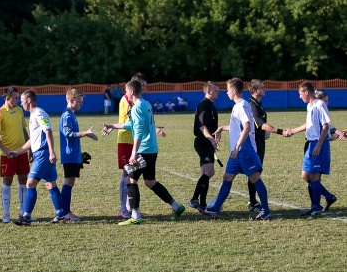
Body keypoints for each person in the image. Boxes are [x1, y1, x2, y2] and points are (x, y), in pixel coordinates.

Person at [102, 80, 186, 225]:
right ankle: (176, 206)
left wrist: (134, 152)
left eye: (126, 91)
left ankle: (135, 216)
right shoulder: (146, 104)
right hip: (152, 149)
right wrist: (113, 126)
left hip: (143, 150)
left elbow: (139, 131)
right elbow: (133, 124)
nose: (125, 94)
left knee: (130, 179)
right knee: (150, 181)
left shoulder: (136, 107)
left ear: (132, 92)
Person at [197, 78, 272, 221]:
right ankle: (215, 209)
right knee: (227, 178)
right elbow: (238, 128)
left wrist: (237, 147)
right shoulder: (238, 105)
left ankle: (266, 211)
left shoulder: (242, 105)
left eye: (227, 90)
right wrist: (222, 128)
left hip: (244, 150)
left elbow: (247, 127)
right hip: (237, 151)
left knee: (255, 178)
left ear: (233, 90)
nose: (226, 93)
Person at [102, 72, 165, 219]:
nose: (144, 89)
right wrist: (154, 129)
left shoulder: (139, 102)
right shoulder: (128, 100)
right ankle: (123, 208)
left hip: (137, 141)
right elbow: (134, 123)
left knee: (132, 175)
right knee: (127, 174)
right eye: (142, 86)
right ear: (134, 86)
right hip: (126, 140)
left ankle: (131, 208)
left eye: (145, 86)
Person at [9, 90, 64, 225]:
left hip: (43, 154)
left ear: (29, 100)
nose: (21, 103)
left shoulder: (39, 113)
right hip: (41, 153)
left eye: (22, 100)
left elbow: (48, 131)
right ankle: (61, 214)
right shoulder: (33, 115)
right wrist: (18, 151)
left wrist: (51, 152)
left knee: (30, 183)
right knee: (50, 184)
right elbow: (33, 140)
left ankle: (26, 217)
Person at [287, 82, 336, 216]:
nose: (300, 97)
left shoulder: (320, 105)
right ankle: (328, 197)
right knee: (306, 176)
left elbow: (325, 126)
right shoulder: (310, 106)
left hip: (318, 143)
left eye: (300, 94)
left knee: (313, 176)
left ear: (306, 92)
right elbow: (309, 124)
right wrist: (293, 130)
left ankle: (316, 207)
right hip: (310, 143)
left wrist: (319, 145)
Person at [246, 79, 291, 213]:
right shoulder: (252, 105)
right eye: (262, 87)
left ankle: (253, 201)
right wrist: (281, 131)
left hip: (260, 141)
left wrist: (263, 133)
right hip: (254, 144)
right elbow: (261, 125)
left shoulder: (259, 104)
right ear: (254, 91)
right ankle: (253, 202)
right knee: (254, 172)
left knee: (257, 171)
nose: (264, 89)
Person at [0, 87, 31, 223]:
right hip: (7, 154)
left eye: (18, 98)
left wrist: (29, 149)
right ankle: (6, 214)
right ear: (7, 98)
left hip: (22, 152)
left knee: (23, 180)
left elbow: (24, 130)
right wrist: (6, 150)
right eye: (15, 98)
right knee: (7, 180)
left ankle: (22, 213)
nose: (18, 100)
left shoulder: (19, 110)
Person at [59, 89, 99, 221]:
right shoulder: (67, 115)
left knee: (70, 183)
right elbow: (68, 134)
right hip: (69, 155)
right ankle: (65, 212)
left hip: (73, 155)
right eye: (79, 102)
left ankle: (66, 211)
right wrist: (85, 133)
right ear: (71, 100)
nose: (81, 104)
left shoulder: (71, 114)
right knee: (68, 182)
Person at [189, 82, 220, 210]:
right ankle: (194, 199)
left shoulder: (211, 106)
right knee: (210, 171)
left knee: (205, 172)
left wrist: (216, 135)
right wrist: (210, 139)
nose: (218, 92)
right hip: (202, 142)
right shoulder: (204, 105)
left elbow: (210, 125)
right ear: (208, 91)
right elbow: (202, 126)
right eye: (216, 90)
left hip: (208, 142)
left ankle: (202, 203)